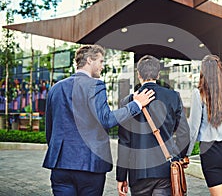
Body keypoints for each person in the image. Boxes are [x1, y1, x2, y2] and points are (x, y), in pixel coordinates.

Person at [42, 45, 155, 196]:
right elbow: (106, 119)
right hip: (89, 165)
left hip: (60, 164)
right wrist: (137, 104)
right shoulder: (95, 85)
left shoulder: (56, 88)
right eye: (101, 61)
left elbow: (50, 128)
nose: (103, 66)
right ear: (89, 60)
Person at [116, 55, 190, 196]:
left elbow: (124, 142)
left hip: (138, 172)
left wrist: (121, 176)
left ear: (138, 75)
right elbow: (184, 133)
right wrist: (179, 157)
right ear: (158, 74)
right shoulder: (173, 96)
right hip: (165, 168)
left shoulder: (128, 101)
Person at [187, 54, 222, 196]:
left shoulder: (199, 94)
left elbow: (194, 128)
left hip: (210, 151)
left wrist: (186, 153)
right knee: (220, 191)